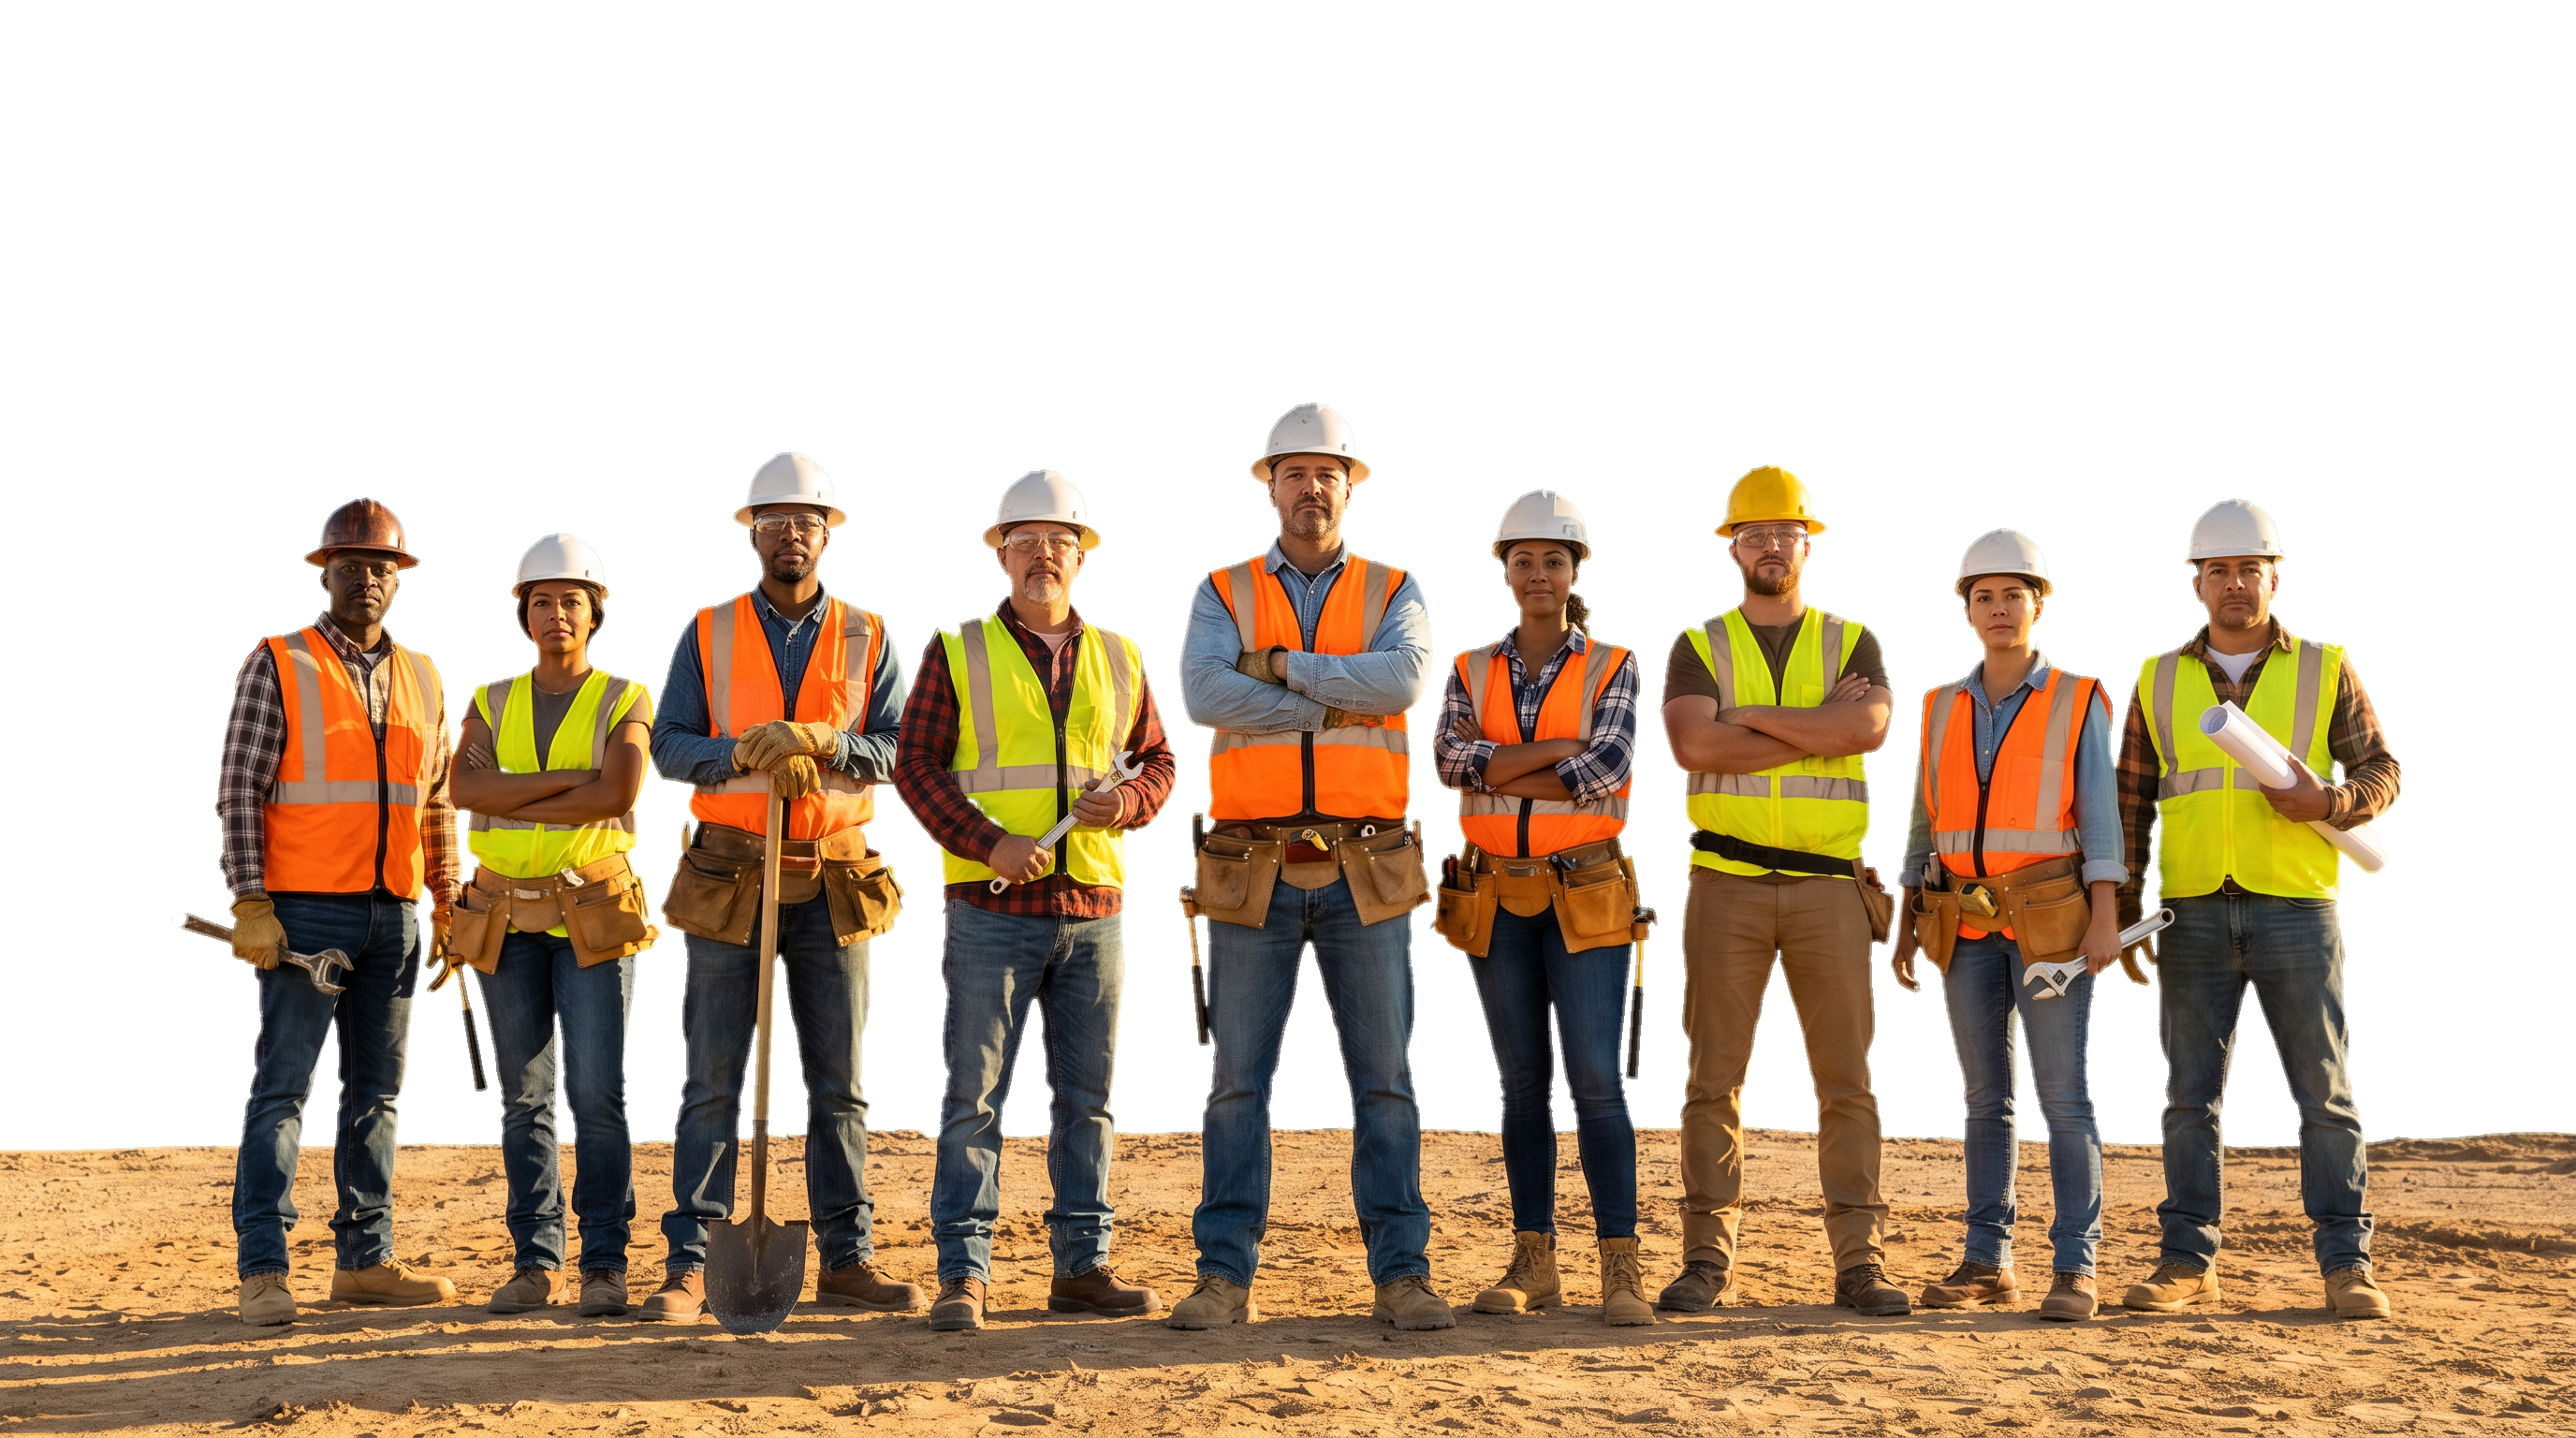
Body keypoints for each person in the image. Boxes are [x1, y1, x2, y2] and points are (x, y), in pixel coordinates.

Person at [1170, 402, 1445, 1331]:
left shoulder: (1396, 587)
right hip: (1251, 866)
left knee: (1385, 1081)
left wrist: (1280, 666)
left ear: (1348, 484)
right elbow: (1206, 695)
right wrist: (1336, 702)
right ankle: (1223, 1276)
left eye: (1328, 472)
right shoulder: (1220, 588)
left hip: (1368, 865)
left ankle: (1402, 1271)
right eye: (1295, 472)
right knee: (1238, 1080)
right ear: (1271, 484)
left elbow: (1401, 685)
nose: (1312, 486)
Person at [893, 470, 1178, 1332]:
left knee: (1087, 1099)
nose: (1044, 553)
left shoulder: (1122, 655)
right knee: (974, 1097)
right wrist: (991, 845)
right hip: (990, 908)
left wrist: (1124, 805)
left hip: (1094, 908)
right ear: (1002, 550)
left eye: (1061, 540)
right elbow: (917, 767)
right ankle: (963, 1276)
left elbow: (1158, 765)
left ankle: (1082, 1268)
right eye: (1027, 539)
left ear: (1081, 555)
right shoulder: (956, 645)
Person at [642, 451, 917, 1322]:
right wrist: (741, 752)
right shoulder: (708, 628)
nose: (792, 532)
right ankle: (691, 1260)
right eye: (776, 519)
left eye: (808, 519)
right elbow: (669, 745)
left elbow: (904, 748)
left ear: (829, 531)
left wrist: (824, 743)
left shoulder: (869, 632)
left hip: (834, 877)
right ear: (752, 529)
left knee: (838, 1081)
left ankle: (847, 1255)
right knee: (713, 1077)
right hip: (729, 876)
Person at [2114, 499, 2403, 1321]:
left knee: (2324, 1094)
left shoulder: (2325, 665)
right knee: (2188, 1098)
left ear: (2275, 575)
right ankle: (2186, 1262)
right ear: (2196, 582)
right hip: (2192, 912)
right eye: (2218, 571)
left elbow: (2384, 770)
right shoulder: (2156, 677)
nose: (2234, 584)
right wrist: (2126, 907)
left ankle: (2347, 1263)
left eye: (2249, 569)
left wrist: (2334, 801)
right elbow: (2133, 801)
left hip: (2297, 909)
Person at [1654, 464, 1910, 1318]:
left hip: (1829, 891)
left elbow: (1867, 728)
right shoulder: (1697, 642)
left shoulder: (1855, 639)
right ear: (1732, 544)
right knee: (1712, 1082)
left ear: (1809, 541)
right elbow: (1696, 749)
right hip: (1723, 882)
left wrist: (1746, 722)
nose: (1771, 544)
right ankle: (1705, 1262)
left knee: (1847, 1082)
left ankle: (1860, 1264)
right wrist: (1812, 732)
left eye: (1786, 532)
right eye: (1754, 532)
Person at [216, 497, 461, 1326]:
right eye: (351, 565)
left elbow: (438, 804)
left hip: (394, 914)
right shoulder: (278, 661)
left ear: (399, 578)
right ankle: (264, 1268)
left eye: (381, 567)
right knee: (284, 1089)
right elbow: (240, 789)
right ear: (325, 571)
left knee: (377, 1096)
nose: (367, 579)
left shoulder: (425, 675)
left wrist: (449, 899)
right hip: (304, 911)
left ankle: (365, 1261)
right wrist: (251, 901)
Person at [1890, 529, 2129, 1322]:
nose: (1999, 609)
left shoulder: (2078, 696)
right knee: (1985, 1098)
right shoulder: (1938, 704)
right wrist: (1903, 924)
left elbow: (2100, 821)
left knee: (2064, 1097)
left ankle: (2075, 1267)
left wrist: (2105, 918)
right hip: (1961, 922)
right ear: (1966, 608)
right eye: (1983, 596)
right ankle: (1987, 1260)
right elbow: (1923, 824)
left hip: (2054, 918)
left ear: (2040, 601)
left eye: (2013, 594)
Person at [1428, 490, 1650, 1327]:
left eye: (1553, 560)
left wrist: (1507, 762)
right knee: (1522, 1084)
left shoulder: (1615, 662)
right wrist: (1554, 749)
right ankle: (1535, 1261)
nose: (1537, 574)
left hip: (1587, 891)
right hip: (1493, 891)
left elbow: (1604, 768)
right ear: (1503, 567)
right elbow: (1451, 763)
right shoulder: (1469, 666)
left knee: (1596, 1081)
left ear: (1575, 569)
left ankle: (1620, 1268)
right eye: (1522, 560)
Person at [445, 534, 658, 1319]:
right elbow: (465, 791)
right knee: (524, 1098)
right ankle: (537, 1261)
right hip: (502, 916)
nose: (556, 613)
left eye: (571, 600)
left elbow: (617, 794)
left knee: (598, 1094)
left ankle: (605, 1261)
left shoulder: (625, 695)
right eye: (541, 600)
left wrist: (519, 789)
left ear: (595, 611)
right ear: (523, 612)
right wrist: (575, 777)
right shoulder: (488, 698)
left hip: (592, 914)